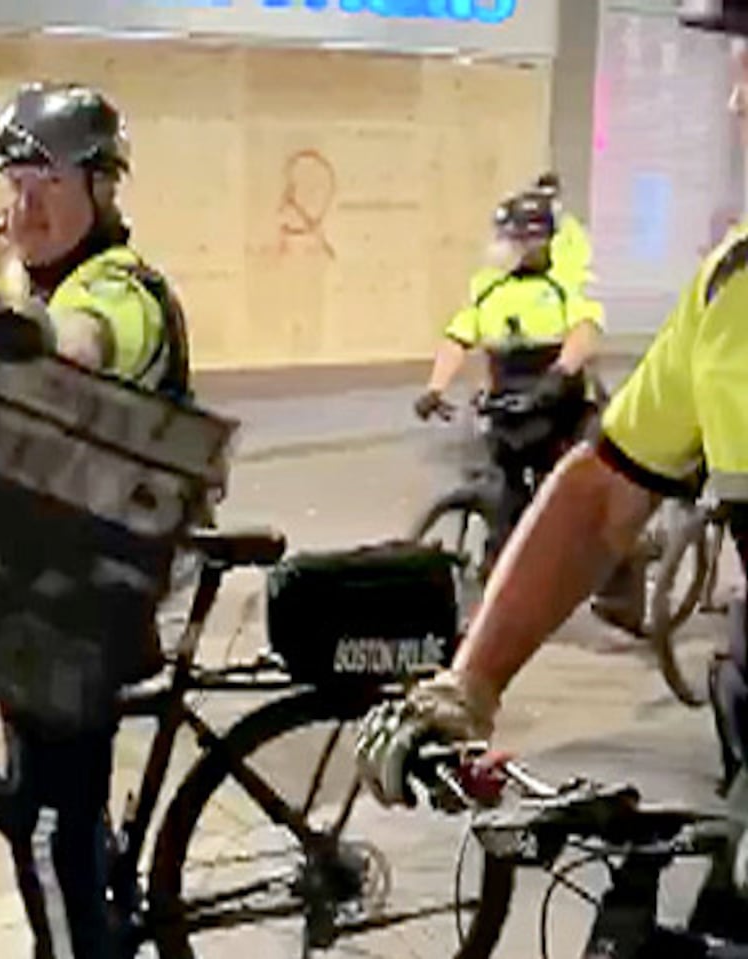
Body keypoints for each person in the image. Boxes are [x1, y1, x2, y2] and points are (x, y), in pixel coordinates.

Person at [359, 2, 748, 935]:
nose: (738, 98)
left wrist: (567, 370)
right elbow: (603, 489)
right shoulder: (731, 289)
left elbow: (583, 334)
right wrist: (471, 681)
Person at [0, 80, 191, 959]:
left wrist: (29, 331)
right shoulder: (43, 287)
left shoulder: (116, 291)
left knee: (42, 827)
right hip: (54, 580)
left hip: (96, 596)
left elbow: (84, 343)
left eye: (46, 186)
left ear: (101, 190)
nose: (23, 207)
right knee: (62, 807)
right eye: (14, 186)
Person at [414, 188, 606, 567]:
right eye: (507, 239)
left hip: (558, 398)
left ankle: (602, 561)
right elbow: (459, 336)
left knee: (581, 481)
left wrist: (560, 372)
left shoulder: (564, 283)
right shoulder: (491, 286)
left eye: (518, 239)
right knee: (504, 479)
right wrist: (434, 388)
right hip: (509, 399)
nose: (509, 248)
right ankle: (507, 554)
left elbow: (583, 331)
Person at [534, 170, 595, 293]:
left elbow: (583, 262)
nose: (549, 203)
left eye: (552, 197)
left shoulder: (573, 229)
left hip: (567, 294)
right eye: (543, 198)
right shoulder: (529, 230)